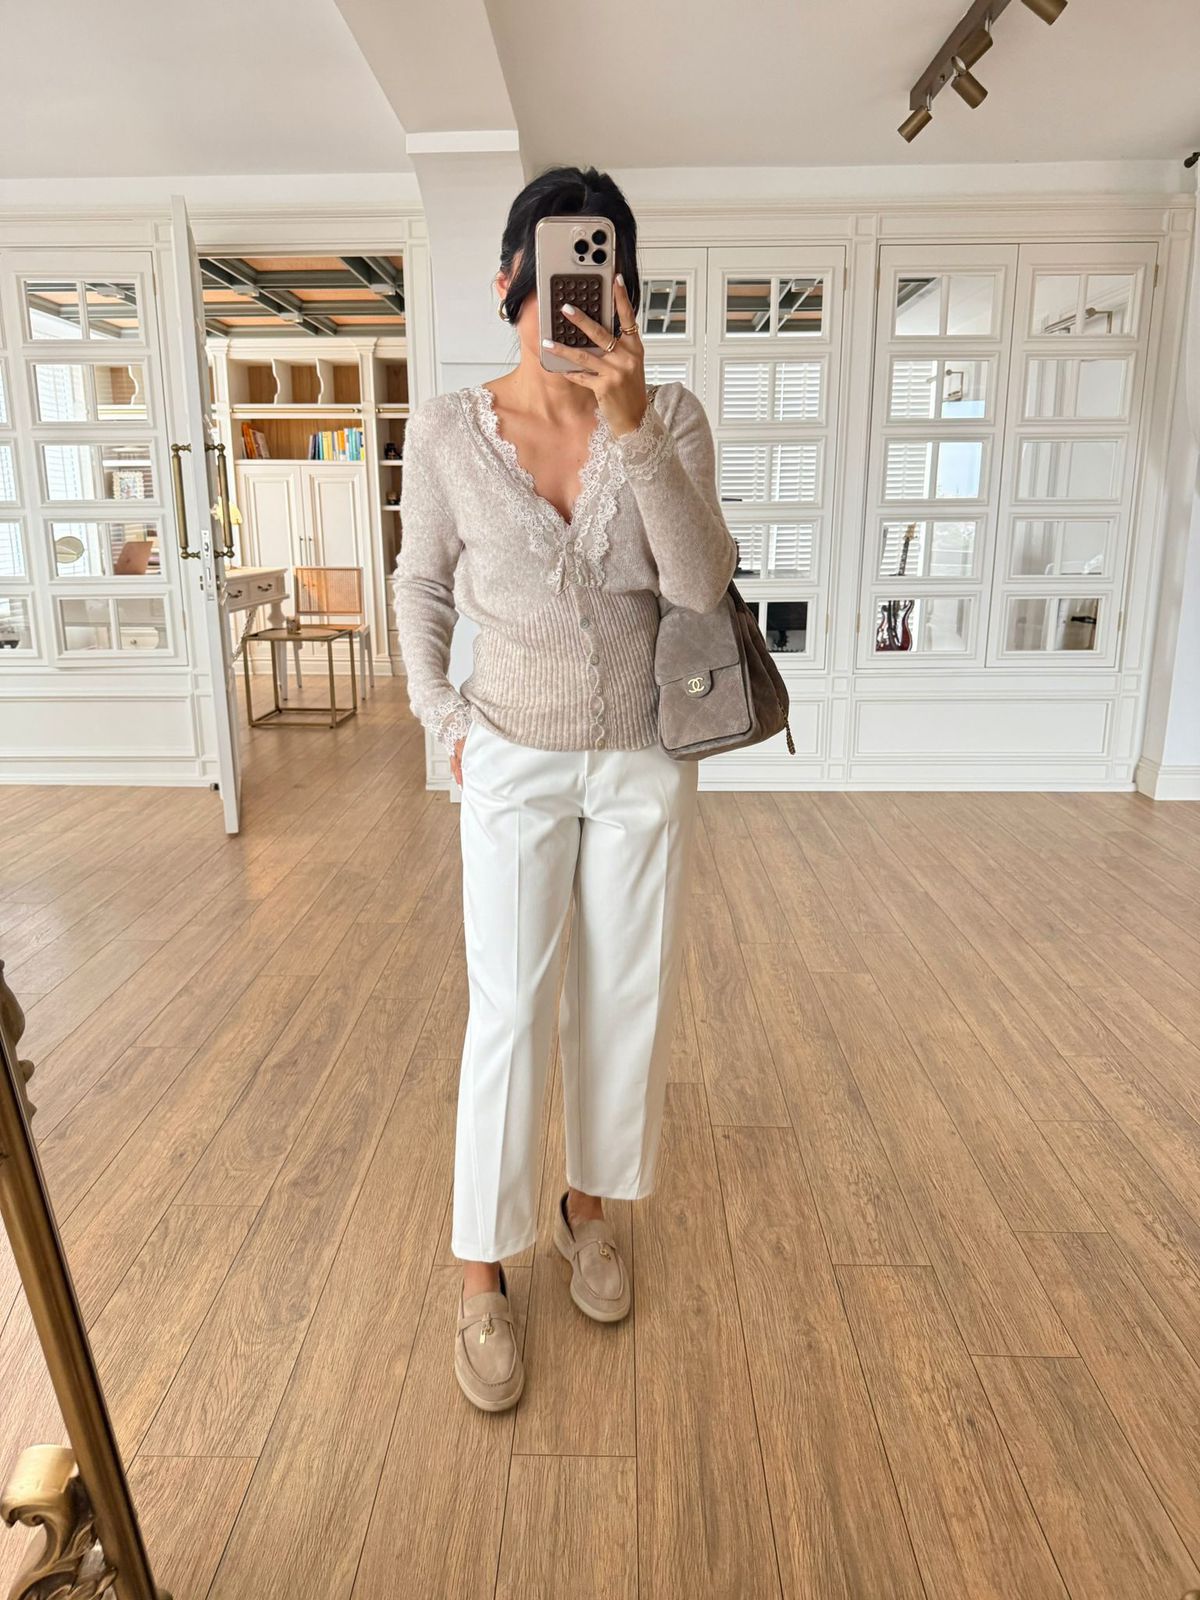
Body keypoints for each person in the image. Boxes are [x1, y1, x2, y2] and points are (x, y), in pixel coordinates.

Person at [392, 165, 738, 1411]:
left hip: (643, 753)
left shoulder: (671, 413)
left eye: (603, 274)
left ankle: (586, 1210)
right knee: (509, 1006)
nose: (578, 297)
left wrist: (631, 429)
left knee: (622, 996)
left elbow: (699, 585)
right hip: (511, 752)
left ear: (625, 291)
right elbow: (420, 581)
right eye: (554, 274)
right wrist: (441, 718)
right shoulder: (447, 430)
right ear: (510, 281)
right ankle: (480, 1269)